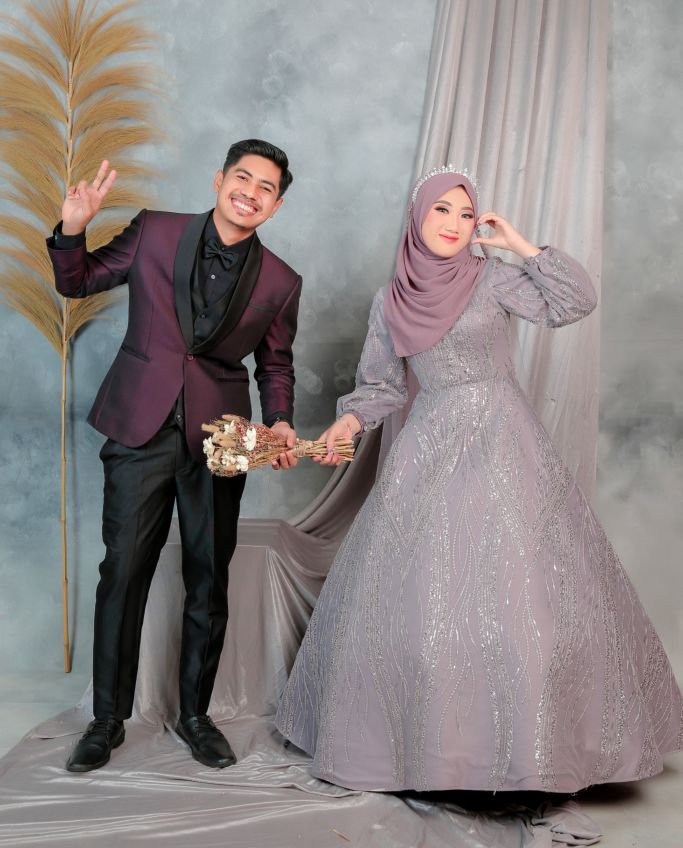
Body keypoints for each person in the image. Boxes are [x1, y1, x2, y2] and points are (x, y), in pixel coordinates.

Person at [276, 166, 682, 794]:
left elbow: (575, 303)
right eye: (442, 211)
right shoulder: (390, 300)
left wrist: (519, 245)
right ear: (418, 217)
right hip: (430, 444)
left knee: (524, 599)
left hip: (502, 438)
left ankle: (533, 753)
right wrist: (346, 425)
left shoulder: (492, 278)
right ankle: (437, 753)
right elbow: (382, 385)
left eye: (466, 214)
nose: (455, 225)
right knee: (425, 600)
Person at [48, 138, 302, 773]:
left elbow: (275, 365)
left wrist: (281, 423)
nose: (250, 193)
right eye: (243, 178)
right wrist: (72, 230)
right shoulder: (155, 231)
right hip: (139, 426)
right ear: (219, 179)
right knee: (123, 571)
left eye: (266, 188)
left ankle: (196, 717)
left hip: (220, 443)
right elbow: (77, 282)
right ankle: (106, 721)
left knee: (208, 579)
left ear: (275, 206)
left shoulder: (281, 282)